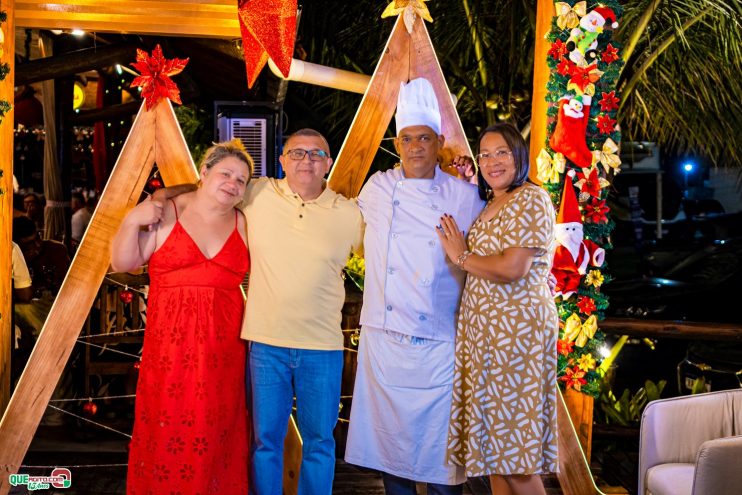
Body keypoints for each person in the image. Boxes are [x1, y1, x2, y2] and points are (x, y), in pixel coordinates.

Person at [153, 129, 363, 495]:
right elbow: (211, 186)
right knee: (264, 442)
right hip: (265, 345)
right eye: (296, 153)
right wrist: (164, 195)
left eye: (316, 153)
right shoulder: (259, 193)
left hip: (323, 347)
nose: (307, 160)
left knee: (320, 442)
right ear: (281, 161)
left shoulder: (349, 213)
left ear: (328, 162)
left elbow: (386, 253)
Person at [344, 77, 484, 495]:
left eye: (425, 138)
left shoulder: (464, 195)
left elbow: (488, 247)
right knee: (391, 454)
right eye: (408, 138)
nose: (416, 146)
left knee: (441, 459)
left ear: (439, 142)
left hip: (440, 341)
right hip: (384, 340)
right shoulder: (377, 188)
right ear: (396, 143)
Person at [111, 140, 252, 495]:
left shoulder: (245, 222)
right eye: (226, 173)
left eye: (241, 180)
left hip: (227, 349)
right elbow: (123, 263)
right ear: (204, 173)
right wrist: (131, 220)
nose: (233, 183)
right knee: (169, 425)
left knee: (219, 427)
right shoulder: (165, 212)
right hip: (170, 347)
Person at [437, 123, 558, 495]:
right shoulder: (493, 202)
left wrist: (461, 255)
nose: (492, 161)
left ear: (518, 156)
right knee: (493, 453)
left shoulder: (531, 199)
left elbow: (512, 267)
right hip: (484, 338)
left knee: (515, 456)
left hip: (515, 337)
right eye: (485, 153)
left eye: (501, 152)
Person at [13, 216, 71, 338]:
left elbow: (65, 287)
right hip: (29, 306)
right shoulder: (14, 254)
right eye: (29, 244)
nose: (37, 245)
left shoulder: (55, 249)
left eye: (38, 238)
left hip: (58, 305)